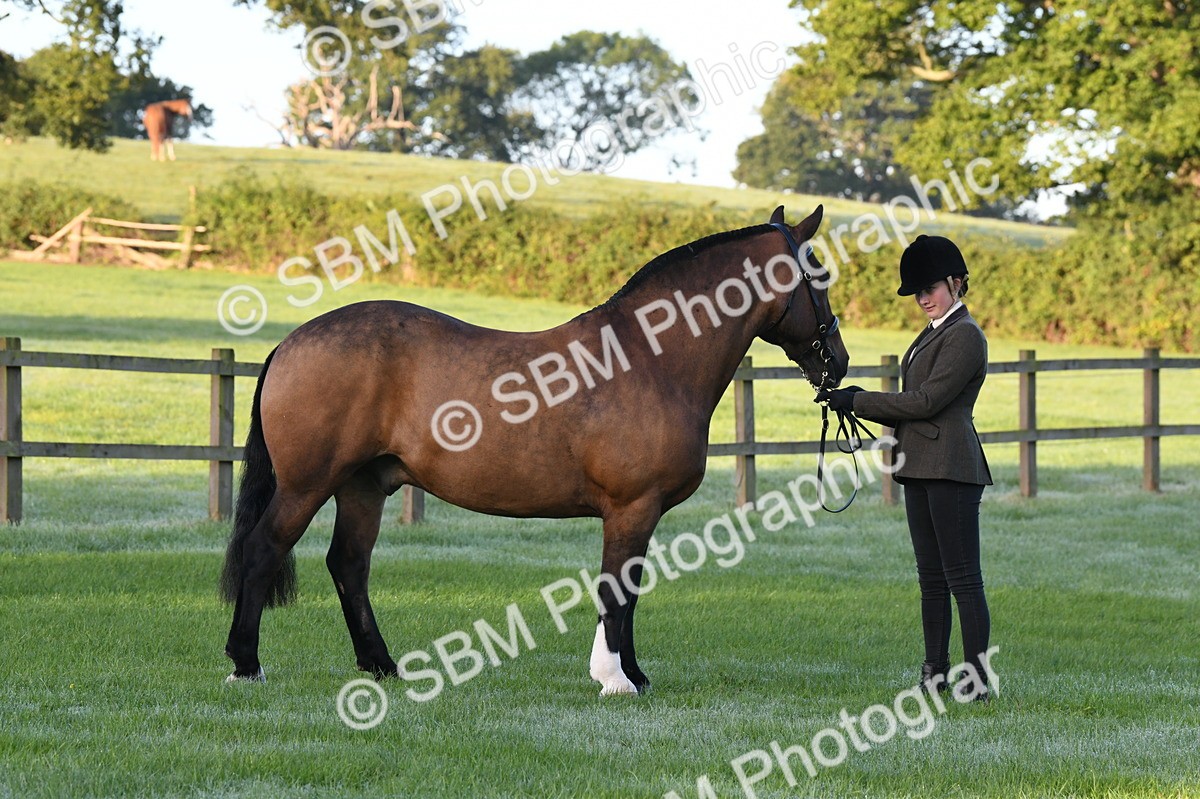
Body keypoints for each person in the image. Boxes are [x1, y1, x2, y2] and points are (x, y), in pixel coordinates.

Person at [817, 234, 993, 701]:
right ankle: (933, 673)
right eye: (917, 292)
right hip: (919, 466)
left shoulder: (966, 336)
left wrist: (861, 399)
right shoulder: (932, 334)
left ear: (957, 283)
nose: (922, 298)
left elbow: (928, 400)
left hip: (952, 468)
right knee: (930, 579)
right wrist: (852, 400)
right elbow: (910, 405)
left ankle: (976, 683)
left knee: (963, 579)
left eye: (930, 288)